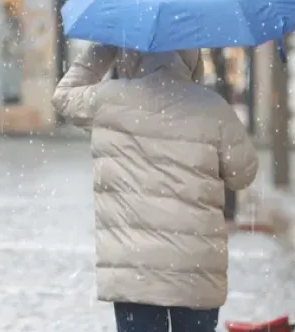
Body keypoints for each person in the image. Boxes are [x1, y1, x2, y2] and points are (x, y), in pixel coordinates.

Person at [51, 46, 258, 332]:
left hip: (134, 268)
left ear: (131, 55)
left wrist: (106, 47)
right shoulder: (213, 109)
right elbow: (242, 175)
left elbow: (63, 96)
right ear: (193, 58)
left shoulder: (110, 99)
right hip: (195, 268)